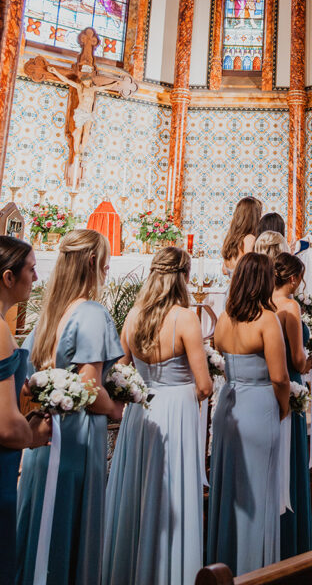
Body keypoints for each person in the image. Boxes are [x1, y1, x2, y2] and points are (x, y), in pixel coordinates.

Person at [16, 229, 124, 585]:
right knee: (69, 537)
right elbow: (91, 389)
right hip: (74, 445)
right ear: (93, 262)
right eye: (105, 261)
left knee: (41, 535)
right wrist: (116, 408)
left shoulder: (50, 313)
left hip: (40, 446)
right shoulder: (90, 313)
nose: (108, 268)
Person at [103, 247, 213, 585]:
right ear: (183, 277)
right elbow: (205, 384)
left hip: (141, 412)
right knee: (170, 495)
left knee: (137, 492)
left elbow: (118, 372)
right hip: (175, 416)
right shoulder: (185, 317)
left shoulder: (134, 315)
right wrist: (181, 396)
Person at [207, 253, 289, 574]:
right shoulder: (267, 319)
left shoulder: (225, 317)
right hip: (258, 405)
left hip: (228, 404)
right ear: (264, 280)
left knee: (229, 489)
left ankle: (224, 566)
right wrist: (282, 407)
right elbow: (280, 376)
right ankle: (255, 571)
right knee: (257, 491)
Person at [0, 238, 50, 585]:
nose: (35, 276)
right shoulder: (0, 330)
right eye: (30, 269)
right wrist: (34, 435)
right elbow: (6, 427)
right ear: (8, 277)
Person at [272, 252, 312, 558]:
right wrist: (309, 361)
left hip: (266, 388)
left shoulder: (259, 302)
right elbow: (297, 358)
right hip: (290, 382)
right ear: (293, 278)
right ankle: (291, 542)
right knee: (291, 459)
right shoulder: (290, 306)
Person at [221, 196, 263, 295]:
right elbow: (251, 268)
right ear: (253, 217)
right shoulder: (249, 239)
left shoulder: (230, 240)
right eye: (259, 215)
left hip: (231, 291)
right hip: (244, 293)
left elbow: (225, 270)